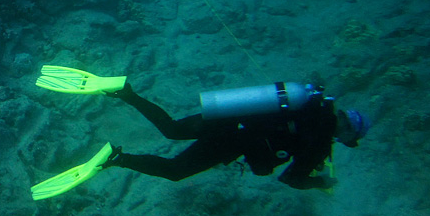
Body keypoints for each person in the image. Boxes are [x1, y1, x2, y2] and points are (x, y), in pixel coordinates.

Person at [103, 81, 369, 189]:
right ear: (346, 133)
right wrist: (320, 183)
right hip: (233, 141)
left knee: (171, 129)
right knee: (175, 170)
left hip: (232, 118)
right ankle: (118, 158)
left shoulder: (313, 104)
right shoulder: (320, 144)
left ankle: (126, 93)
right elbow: (290, 178)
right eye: (349, 139)